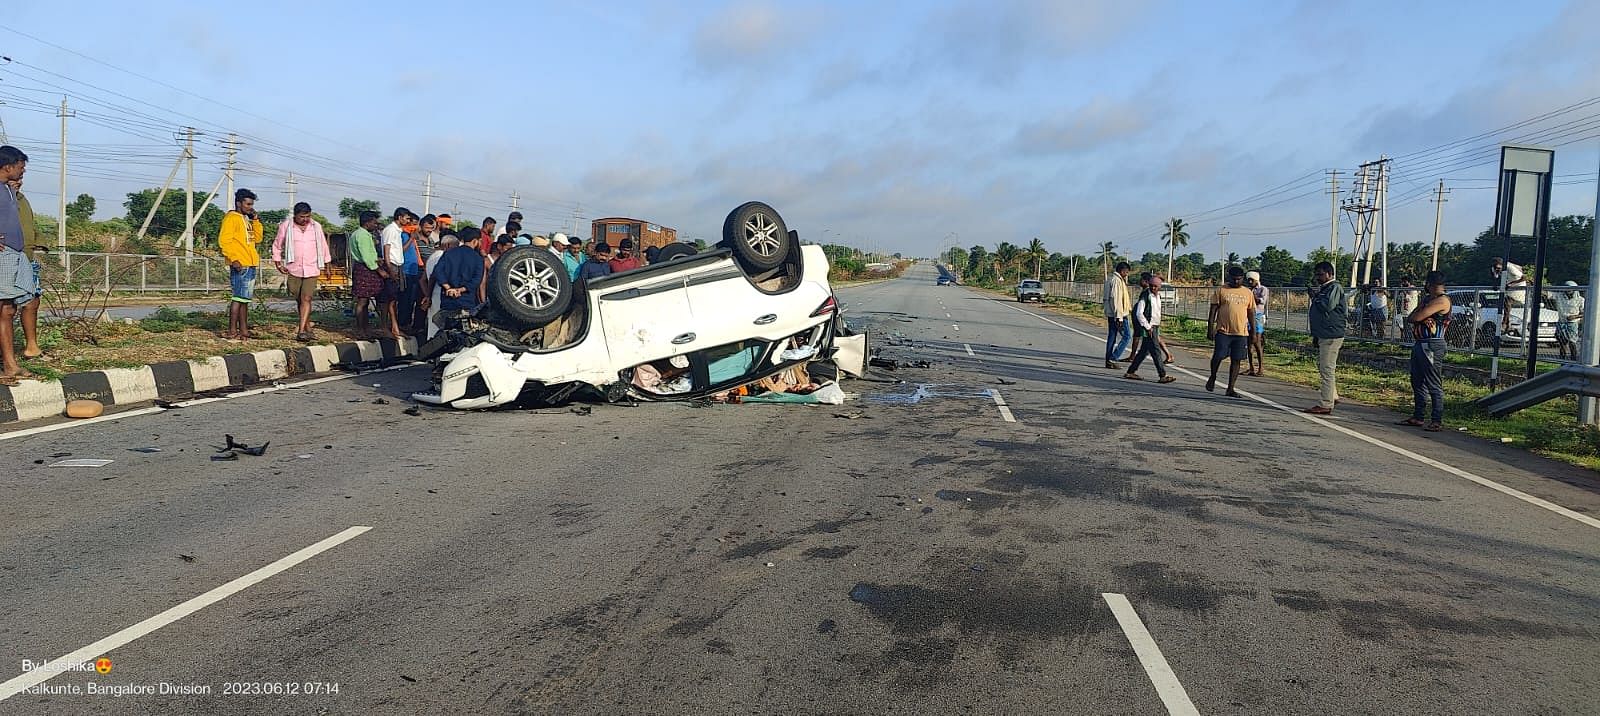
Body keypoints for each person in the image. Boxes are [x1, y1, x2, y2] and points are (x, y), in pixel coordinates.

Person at [0, 145, 38, 383]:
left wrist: (13, 190)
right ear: (7, 166)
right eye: (20, 167)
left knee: (10, 308)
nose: (23, 171)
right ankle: (10, 366)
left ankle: (11, 364)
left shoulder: (8, 189)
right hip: (3, 256)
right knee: (3, 310)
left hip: (15, 254)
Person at [270, 202, 332, 342]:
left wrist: (327, 264)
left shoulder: (316, 227)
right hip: (294, 268)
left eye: (308, 216)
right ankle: (308, 327)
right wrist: (278, 262)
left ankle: (301, 330)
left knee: (307, 298)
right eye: (302, 217)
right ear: (295, 215)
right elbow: (277, 245)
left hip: (312, 267)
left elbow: (323, 245)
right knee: (299, 298)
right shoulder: (286, 226)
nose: (305, 219)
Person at [1398, 271, 1451, 432]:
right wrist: (1421, 311)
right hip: (1421, 342)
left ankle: (1436, 419)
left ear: (1431, 284)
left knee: (1433, 383)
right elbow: (1411, 317)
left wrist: (1421, 312)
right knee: (1417, 380)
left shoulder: (1441, 300)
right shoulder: (1428, 299)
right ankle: (1418, 416)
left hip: (1432, 344)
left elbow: (1415, 317)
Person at [8, 171, 46, 363]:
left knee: (32, 301)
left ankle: (31, 347)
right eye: (14, 179)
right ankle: (7, 356)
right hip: (6, 259)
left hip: (26, 257)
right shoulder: (3, 198)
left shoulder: (21, 199)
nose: (18, 183)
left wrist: (39, 241)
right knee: (7, 308)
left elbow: (30, 224)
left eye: (20, 179)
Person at [218, 188, 264, 341]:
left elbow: (257, 239)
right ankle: (232, 330)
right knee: (238, 298)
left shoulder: (246, 219)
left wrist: (256, 220)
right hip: (240, 263)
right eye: (248, 204)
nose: (250, 207)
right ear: (239, 203)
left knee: (245, 299)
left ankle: (244, 330)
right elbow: (224, 241)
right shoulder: (231, 218)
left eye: (252, 204)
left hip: (250, 262)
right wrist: (233, 258)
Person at [1206, 266, 1255, 397]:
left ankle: (1230, 388)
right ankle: (1213, 376)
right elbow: (1213, 311)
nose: (1236, 281)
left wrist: (1253, 332)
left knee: (1236, 359)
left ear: (1242, 278)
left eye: (1239, 279)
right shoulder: (1221, 290)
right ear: (1229, 277)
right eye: (1234, 279)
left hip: (1241, 333)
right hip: (1223, 331)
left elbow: (1251, 313)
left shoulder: (1248, 293)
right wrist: (1210, 327)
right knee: (1218, 356)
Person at [1304, 260, 1346, 415]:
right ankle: (1332, 396)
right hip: (1323, 333)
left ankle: (1326, 403)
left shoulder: (1334, 287)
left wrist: (1315, 297)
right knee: (1324, 367)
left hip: (1331, 333)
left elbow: (1327, 306)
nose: (1318, 278)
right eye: (1316, 275)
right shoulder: (1326, 288)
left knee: (1327, 369)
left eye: (1321, 274)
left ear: (1330, 274)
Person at [1124, 272, 1175, 384]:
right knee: (1156, 351)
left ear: (1160, 287)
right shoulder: (1145, 295)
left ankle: (1131, 371)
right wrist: (1147, 326)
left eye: (1156, 286)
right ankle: (1162, 375)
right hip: (1149, 328)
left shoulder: (1158, 296)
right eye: (1151, 285)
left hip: (1155, 326)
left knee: (1144, 351)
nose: (1153, 288)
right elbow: (1139, 313)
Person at [348, 210, 388, 337]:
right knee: (362, 301)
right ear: (368, 223)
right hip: (365, 269)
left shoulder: (356, 234)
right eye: (374, 223)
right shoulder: (363, 236)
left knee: (364, 301)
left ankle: (365, 328)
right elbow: (367, 257)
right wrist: (379, 270)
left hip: (362, 267)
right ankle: (361, 330)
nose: (376, 226)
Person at [434, 228, 486, 319]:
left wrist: (449, 288)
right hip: (467, 301)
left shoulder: (449, 253)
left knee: (446, 328)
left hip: (448, 299)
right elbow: (477, 280)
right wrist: (460, 290)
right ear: (475, 241)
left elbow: (438, 271)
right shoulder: (478, 259)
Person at [424, 234, 459, 340]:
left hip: (433, 294)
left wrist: (427, 296)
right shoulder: (442, 257)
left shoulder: (432, 257)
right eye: (455, 246)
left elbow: (424, 279)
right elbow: (435, 276)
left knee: (433, 324)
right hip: (442, 294)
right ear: (448, 245)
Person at [1102, 261, 1132, 368]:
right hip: (1118, 314)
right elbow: (1116, 299)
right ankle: (1113, 358)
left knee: (1112, 336)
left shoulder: (1110, 279)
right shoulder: (1116, 281)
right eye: (1126, 272)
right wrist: (1119, 317)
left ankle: (1109, 359)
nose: (1127, 274)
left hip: (1111, 313)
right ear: (1122, 271)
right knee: (1127, 336)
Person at [1245, 271, 1269, 376]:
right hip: (1247, 317)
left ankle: (1261, 368)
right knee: (1249, 343)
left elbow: (1261, 301)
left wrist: (1252, 296)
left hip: (1258, 317)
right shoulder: (1248, 290)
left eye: (1252, 280)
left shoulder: (1263, 289)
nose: (1250, 282)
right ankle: (1251, 367)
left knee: (1257, 342)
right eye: (1248, 280)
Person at [1557, 280, 1585, 360]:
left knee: (1572, 342)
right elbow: (1548, 294)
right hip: (1561, 321)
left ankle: (1573, 359)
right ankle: (1562, 361)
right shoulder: (1559, 296)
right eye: (1566, 290)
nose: (1568, 292)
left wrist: (1575, 316)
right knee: (1562, 343)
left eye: (1570, 290)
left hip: (1572, 323)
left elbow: (1584, 313)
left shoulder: (1580, 299)